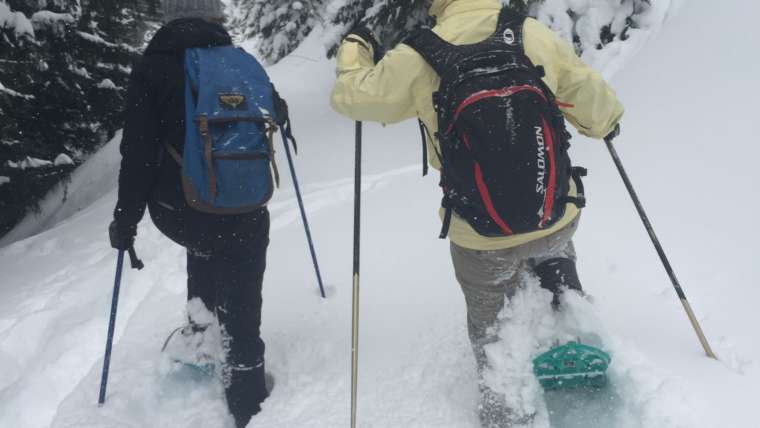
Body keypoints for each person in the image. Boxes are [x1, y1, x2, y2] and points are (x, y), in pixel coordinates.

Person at [330, 0, 623, 426]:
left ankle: (504, 404)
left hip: (480, 233)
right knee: (550, 239)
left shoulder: (418, 54)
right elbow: (596, 108)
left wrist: (355, 49)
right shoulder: (530, 34)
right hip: (554, 213)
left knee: (491, 322)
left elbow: (352, 99)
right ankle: (570, 314)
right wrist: (608, 122)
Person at [108, 1, 270, 426]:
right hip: (247, 204)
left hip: (181, 210)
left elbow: (138, 152)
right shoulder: (240, 61)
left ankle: (201, 331)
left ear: (170, 17)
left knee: (204, 245)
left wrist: (127, 219)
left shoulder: (154, 68)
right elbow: (277, 114)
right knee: (243, 291)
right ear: (214, 18)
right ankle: (247, 392)